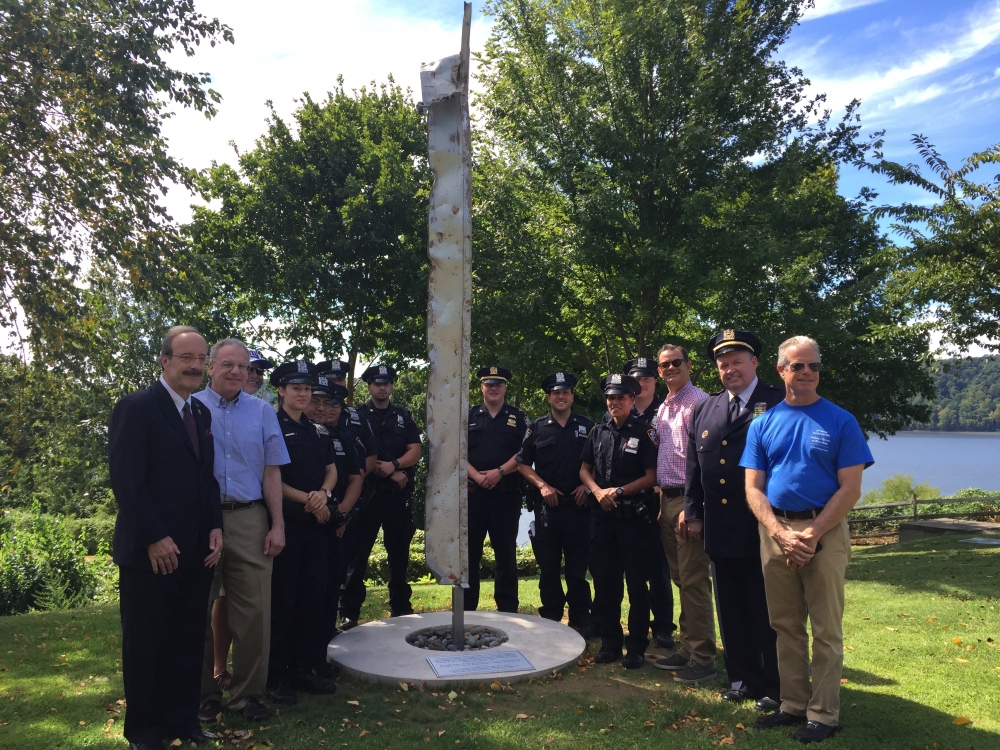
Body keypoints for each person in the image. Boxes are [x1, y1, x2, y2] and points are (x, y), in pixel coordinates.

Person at [741, 336, 873, 744]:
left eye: (814, 366)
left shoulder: (840, 420)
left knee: (826, 629)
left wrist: (812, 535)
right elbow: (753, 489)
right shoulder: (763, 423)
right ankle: (793, 704)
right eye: (798, 366)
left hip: (825, 532)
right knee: (784, 625)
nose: (807, 373)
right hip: (776, 533)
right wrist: (781, 535)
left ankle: (824, 714)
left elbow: (851, 489)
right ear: (780, 371)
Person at [107, 325, 223, 750]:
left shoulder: (201, 414)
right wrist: (154, 536)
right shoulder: (135, 408)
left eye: (200, 359)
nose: (195, 366)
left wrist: (215, 526)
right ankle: (144, 732)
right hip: (149, 554)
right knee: (146, 644)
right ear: (165, 361)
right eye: (186, 358)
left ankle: (183, 721)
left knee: (188, 639)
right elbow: (127, 482)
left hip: (194, 551)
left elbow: (205, 479)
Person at [685, 330, 783, 708]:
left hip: (762, 525)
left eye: (737, 361)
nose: (730, 369)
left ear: (754, 363)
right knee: (731, 608)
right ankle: (742, 678)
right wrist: (694, 514)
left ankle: (775, 684)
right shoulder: (706, 409)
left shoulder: (777, 402)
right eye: (723, 364)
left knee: (767, 608)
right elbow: (695, 468)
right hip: (721, 526)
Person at [193, 339, 288, 725]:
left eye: (243, 367)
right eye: (227, 364)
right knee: (195, 608)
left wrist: (277, 524)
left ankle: (246, 695)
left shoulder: (263, 412)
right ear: (211, 366)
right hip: (200, 520)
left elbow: (272, 471)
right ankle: (203, 694)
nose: (236, 372)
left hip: (250, 518)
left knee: (254, 614)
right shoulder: (191, 407)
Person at [266, 361, 339, 704]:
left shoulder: (318, 430)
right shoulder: (270, 424)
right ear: (280, 390)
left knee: (312, 597)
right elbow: (269, 476)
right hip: (286, 524)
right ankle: (277, 675)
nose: (302, 394)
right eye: (295, 388)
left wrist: (323, 495)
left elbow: (331, 469)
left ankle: (303, 668)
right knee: (283, 600)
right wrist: (309, 499)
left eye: (307, 389)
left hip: (316, 524)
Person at [580, 374, 659, 669]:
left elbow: (653, 476)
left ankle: (636, 646)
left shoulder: (644, 432)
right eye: (611, 398)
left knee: (638, 585)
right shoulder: (597, 432)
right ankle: (611, 644)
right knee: (605, 583)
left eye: (621, 397)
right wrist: (598, 491)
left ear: (631, 400)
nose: (615, 402)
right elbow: (584, 470)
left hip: (634, 520)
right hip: (603, 519)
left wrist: (622, 490)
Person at [650, 344, 717, 685]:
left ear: (689, 365)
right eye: (664, 365)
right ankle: (688, 649)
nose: (670, 368)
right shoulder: (664, 408)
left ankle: (704, 658)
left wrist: (694, 508)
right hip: (668, 501)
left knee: (694, 581)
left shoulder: (699, 403)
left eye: (676, 362)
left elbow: (704, 461)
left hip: (689, 503)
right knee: (682, 580)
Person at [339, 364, 422, 627]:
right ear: (369, 387)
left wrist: (395, 466)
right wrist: (383, 469)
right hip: (367, 495)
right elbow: (354, 452)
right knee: (358, 555)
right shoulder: (357, 415)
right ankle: (349, 611)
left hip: (397, 496)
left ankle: (401, 606)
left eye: (386, 383)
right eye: (377, 383)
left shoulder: (403, 416)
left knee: (399, 554)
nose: (382, 388)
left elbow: (415, 450)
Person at [517, 372, 596, 636]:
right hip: (548, 507)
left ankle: (580, 617)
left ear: (572, 396)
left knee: (577, 567)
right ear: (549, 397)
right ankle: (551, 614)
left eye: (565, 392)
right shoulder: (537, 428)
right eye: (555, 393)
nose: (561, 397)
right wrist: (542, 486)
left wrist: (588, 486)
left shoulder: (588, 426)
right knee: (548, 565)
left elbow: (601, 461)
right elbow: (522, 463)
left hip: (579, 505)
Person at [305, 378, 362, 656]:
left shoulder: (343, 437)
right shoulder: (293, 432)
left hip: (336, 523)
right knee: (307, 590)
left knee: (332, 583)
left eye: (328, 403)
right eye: (315, 402)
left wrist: (340, 514)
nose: (323, 409)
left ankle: (325, 644)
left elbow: (355, 478)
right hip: (305, 519)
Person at [465, 366, 529, 613]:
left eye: (498, 384)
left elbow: (524, 453)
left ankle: (508, 609)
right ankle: (467, 609)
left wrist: (498, 472)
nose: (493, 388)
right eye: (488, 384)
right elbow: (456, 452)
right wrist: (476, 477)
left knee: (505, 555)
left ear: (505, 388)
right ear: (481, 387)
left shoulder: (519, 418)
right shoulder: (467, 415)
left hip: (506, 495)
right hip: (473, 496)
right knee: (469, 555)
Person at [624, 357, 675, 650]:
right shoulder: (618, 411)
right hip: (628, 503)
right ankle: (637, 624)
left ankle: (664, 627)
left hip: (658, 500)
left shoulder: (667, 412)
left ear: (655, 381)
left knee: (659, 569)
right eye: (636, 379)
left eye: (646, 378)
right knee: (632, 570)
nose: (641, 383)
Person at [317, 359, 377, 475]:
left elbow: (371, 454)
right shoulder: (312, 414)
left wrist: (356, 479)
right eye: (331, 380)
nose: (336, 384)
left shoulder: (358, 415)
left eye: (340, 379)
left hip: (355, 485)